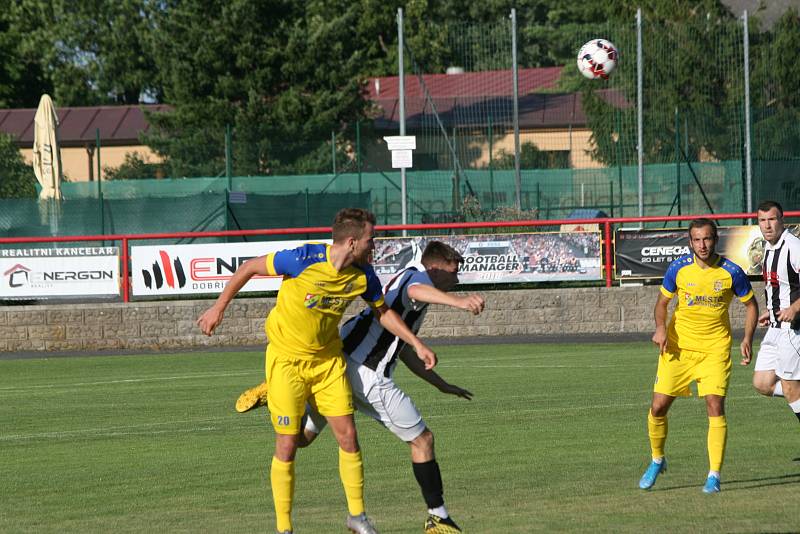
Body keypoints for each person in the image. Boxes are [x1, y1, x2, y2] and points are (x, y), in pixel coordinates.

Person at [197, 208, 437, 534]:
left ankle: (357, 518)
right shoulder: (303, 258)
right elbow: (250, 267)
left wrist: (416, 343)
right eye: (371, 240)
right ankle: (284, 528)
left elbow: (383, 313)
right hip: (286, 362)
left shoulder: (364, 275)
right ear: (351, 241)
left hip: (327, 363)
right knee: (287, 445)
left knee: (348, 437)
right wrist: (218, 307)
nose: (375, 247)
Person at [236, 241, 485, 534]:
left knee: (300, 440)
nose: (456, 280)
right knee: (423, 440)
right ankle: (438, 518)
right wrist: (461, 302)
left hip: (334, 365)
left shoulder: (399, 280)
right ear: (435, 266)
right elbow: (415, 291)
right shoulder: (416, 278)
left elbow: (403, 349)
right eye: (453, 272)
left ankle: (282, 390)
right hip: (366, 373)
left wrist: (441, 384)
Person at [638, 218, 758, 493]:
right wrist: (660, 328)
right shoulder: (678, 268)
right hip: (678, 348)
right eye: (696, 240)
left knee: (715, 407)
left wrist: (747, 338)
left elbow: (751, 305)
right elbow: (662, 304)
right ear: (690, 241)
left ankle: (714, 475)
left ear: (715, 240)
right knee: (658, 408)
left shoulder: (731, 272)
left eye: (707, 239)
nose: (702, 245)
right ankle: (657, 459)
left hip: (715, 350)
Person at [751, 200, 800, 427]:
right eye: (762, 220)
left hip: (794, 330)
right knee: (762, 382)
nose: (767, 225)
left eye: (772, 219)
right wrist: (770, 312)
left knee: (791, 388)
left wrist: (794, 308)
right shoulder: (768, 248)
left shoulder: (793, 246)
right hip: (775, 327)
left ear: (782, 220)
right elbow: (779, 287)